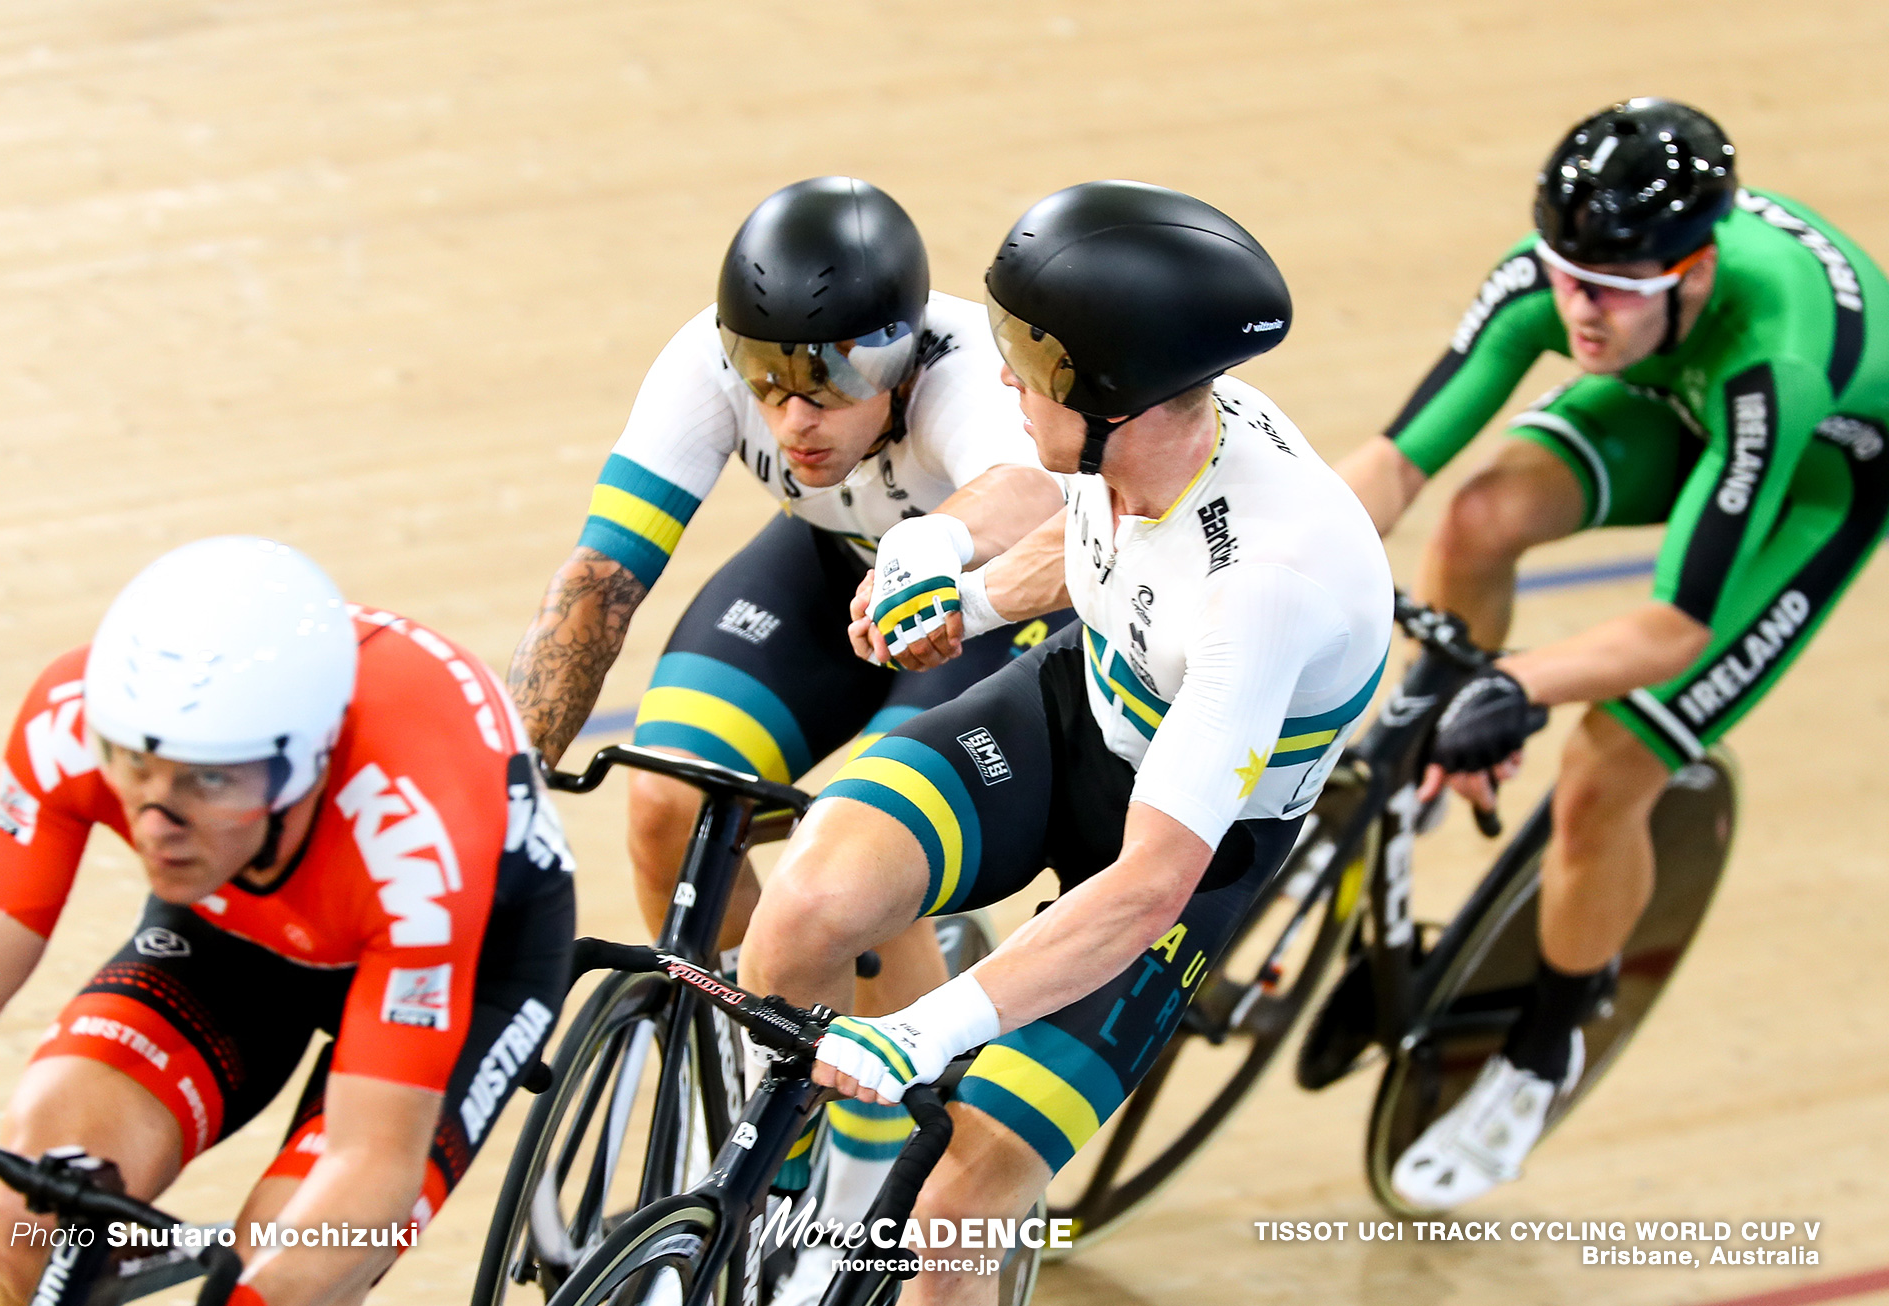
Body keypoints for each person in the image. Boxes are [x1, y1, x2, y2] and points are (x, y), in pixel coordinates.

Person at [738, 180, 1393, 1305]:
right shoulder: (1164, 429)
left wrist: (924, 1029)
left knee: (954, 1214)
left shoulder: (1263, 592)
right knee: (803, 910)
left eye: (1029, 362)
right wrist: (971, 594)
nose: (1000, 375)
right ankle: (786, 1216)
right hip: (1071, 716)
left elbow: (1145, 889)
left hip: (1178, 858)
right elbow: (1102, 541)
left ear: (1116, 397)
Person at [1332, 98, 1889, 1209]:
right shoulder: (1574, 282)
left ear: (1688, 272)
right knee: (1480, 517)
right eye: (1563, 276)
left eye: (1610, 290)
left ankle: (1546, 1045)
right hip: (1668, 392)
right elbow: (1396, 465)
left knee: (1606, 767)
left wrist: (1517, 686)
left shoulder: (1770, 362)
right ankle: (1449, 742)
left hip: (1818, 470)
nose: (1575, 310)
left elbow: (1674, 626)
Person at [507, 176, 1065, 1220]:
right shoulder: (702, 361)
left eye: (833, 379)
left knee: (861, 854)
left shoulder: (965, 370)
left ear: (901, 356)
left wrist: (933, 543)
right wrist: (509, 778)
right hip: (820, 578)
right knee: (667, 802)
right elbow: (599, 581)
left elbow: (1029, 490)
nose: (794, 418)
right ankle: (756, 1044)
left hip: (976, 604)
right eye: (766, 381)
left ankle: (864, 1176)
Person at [0, 537, 575, 1306]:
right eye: (134, 765)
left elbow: (370, 1160)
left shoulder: (411, 839)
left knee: (282, 1273)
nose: (158, 821)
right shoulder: (72, 724)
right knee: (30, 1222)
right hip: (232, 926)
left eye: (208, 778)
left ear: (304, 765)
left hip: (466, 958)